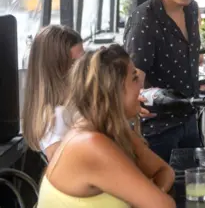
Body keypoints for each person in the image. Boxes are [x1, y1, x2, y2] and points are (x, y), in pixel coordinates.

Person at [36, 45, 175, 208]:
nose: (141, 86)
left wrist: (148, 198)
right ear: (114, 90)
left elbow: (165, 171)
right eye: (134, 78)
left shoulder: (111, 130)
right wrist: (149, 198)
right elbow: (164, 205)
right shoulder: (91, 144)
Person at [124, 0, 204, 162]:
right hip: (158, 131)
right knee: (167, 194)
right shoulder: (145, 20)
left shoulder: (192, 9)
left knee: (197, 189)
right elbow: (132, 79)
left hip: (190, 120)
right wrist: (135, 103)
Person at [22, 25, 84, 161]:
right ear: (55, 70)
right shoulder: (56, 118)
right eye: (74, 64)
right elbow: (66, 175)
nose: (83, 69)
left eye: (83, 61)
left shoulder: (73, 103)